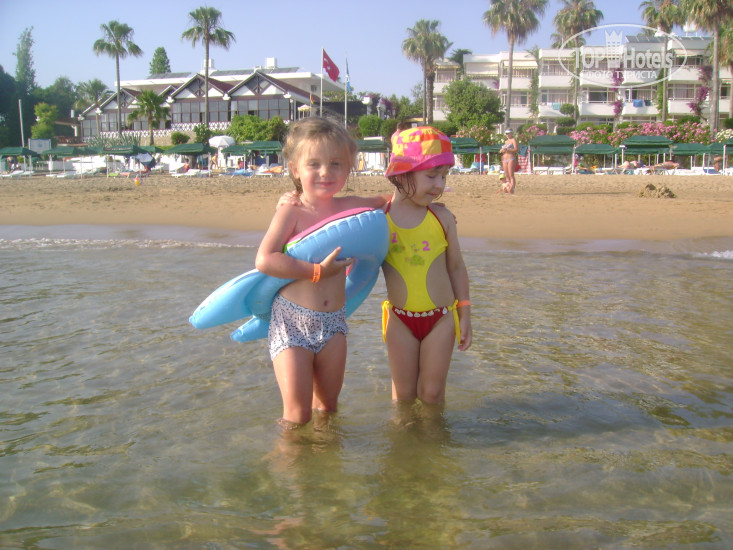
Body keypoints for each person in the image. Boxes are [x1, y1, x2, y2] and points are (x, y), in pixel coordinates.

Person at [255, 117, 387, 427]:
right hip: (291, 321)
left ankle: (326, 458)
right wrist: (316, 271)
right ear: (295, 169)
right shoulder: (291, 211)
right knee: (296, 416)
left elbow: (390, 202)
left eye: (335, 164)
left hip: (333, 323)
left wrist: (434, 207)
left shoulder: (352, 207)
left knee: (328, 408)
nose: (325, 172)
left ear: (349, 167)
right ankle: (290, 459)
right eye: (314, 164)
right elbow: (265, 259)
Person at [381, 126, 472, 407]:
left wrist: (465, 312)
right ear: (401, 174)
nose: (439, 185)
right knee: (403, 397)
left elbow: (456, 267)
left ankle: (434, 434)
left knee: (432, 394)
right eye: (431, 176)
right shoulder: (379, 219)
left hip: (441, 319)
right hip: (400, 320)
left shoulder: (442, 218)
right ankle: (403, 436)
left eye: (444, 176)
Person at [497, 128, 519, 194]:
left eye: (508, 133)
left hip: (511, 158)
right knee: (506, 175)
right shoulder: (506, 141)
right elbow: (505, 150)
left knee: (511, 174)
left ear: (511, 133)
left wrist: (508, 149)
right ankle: (508, 187)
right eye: (506, 134)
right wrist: (502, 151)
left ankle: (512, 188)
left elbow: (516, 149)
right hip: (505, 158)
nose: (507, 135)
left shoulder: (513, 140)